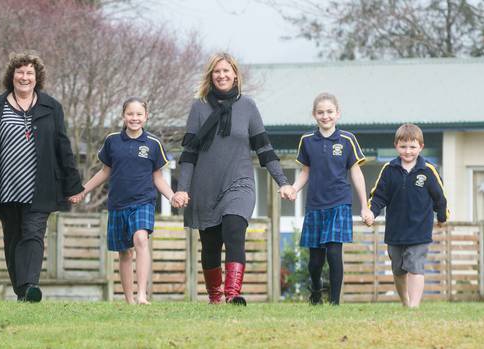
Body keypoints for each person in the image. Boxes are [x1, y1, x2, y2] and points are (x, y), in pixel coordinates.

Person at [0, 52, 83, 302]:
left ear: (37, 77)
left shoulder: (51, 107)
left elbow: (62, 146)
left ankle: (30, 285)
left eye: (30, 72)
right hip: (5, 187)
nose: (24, 77)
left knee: (33, 233)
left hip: (39, 186)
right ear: (11, 76)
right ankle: (22, 292)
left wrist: (74, 185)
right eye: (20, 72)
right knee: (13, 238)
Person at [176, 52, 295, 306]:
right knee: (209, 246)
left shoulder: (248, 106)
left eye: (226, 71)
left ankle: (233, 294)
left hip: (239, 183)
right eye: (217, 72)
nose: (222, 75)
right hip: (205, 187)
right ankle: (215, 297)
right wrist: (182, 188)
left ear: (235, 75)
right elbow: (188, 153)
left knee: (234, 230)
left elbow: (264, 148)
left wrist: (283, 181)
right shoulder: (198, 107)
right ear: (211, 76)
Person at [70, 97, 181, 305]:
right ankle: (129, 299)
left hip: (143, 201)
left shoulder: (153, 143)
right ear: (123, 116)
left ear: (146, 117)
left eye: (139, 114)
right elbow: (104, 172)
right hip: (118, 203)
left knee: (141, 238)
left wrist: (172, 195)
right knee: (124, 252)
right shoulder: (112, 141)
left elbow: (157, 177)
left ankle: (142, 295)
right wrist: (83, 190)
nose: (135, 118)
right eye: (130, 114)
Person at [290, 92, 374, 305]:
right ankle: (316, 291)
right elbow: (306, 172)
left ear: (338, 114)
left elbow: (356, 173)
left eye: (329, 112)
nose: (325, 116)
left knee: (334, 254)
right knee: (315, 260)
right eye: (321, 112)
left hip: (339, 204)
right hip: (315, 205)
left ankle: (335, 303)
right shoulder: (307, 141)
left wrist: (364, 206)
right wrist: (294, 189)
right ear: (314, 114)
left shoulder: (348, 140)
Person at [367, 123, 448, 308]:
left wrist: (442, 217)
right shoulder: (389, 169)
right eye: (403, 146)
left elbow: (440, 198)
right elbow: (379, 196)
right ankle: (405, 301)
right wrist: (372, 212)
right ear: (396, 145)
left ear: (421, 146)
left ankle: (414, 306)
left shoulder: (428, 170)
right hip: (395, 231)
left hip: (420, 230)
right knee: (398, 270)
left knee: (415, 267)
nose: (408, 151)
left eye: (413, 147)